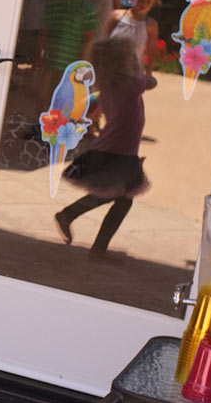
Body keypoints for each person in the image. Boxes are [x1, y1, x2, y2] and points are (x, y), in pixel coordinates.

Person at [54, 37, 156, 258]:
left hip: (115, 151)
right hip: (118, 153)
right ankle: (84, 233)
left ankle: (80, 227)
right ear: (126, 61)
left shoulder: (108, 86)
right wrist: (142, 70)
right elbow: (152, 82)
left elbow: (97, 111)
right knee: (120, 198)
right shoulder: (131, 83)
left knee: (120, 198)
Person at [35, 0, 98, 104]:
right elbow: (44, 32)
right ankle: (40, 125)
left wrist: (81, 65)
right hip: (50, 63)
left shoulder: (86, 8)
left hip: (71, 67)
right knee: (43, 99)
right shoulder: (54, 4)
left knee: (64, 103)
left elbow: (89, 39)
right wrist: (39, 56)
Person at [107, 0, 161, 75]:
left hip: (133, 72)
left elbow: (152, 49)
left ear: (154, 3)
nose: (144, 4)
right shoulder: (116, 16)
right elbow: (104, 40)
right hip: (110, 70)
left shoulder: (151, 25)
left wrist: (149, 72)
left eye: (149, 1)